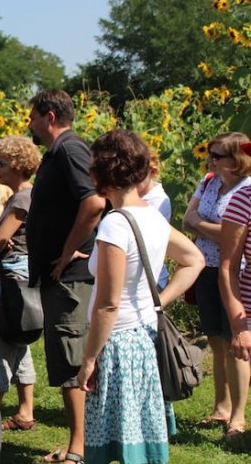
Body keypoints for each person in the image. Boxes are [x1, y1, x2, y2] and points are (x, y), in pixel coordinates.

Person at [77, 130, 205, 464]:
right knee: (139, 446)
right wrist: (158, 301)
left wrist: (89, 358)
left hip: (117, 345)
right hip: (145, 341)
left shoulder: (115, 225)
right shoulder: (150, 215)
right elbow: (194, 259)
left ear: (101, 172)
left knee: (113, 445)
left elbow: (108, 303)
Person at [26, 89, 106, 463]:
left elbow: (94, 201)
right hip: (63, 275)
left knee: (74, 360)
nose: (29, 123)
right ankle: (83, 442)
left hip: (71, 276)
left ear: (50, 116)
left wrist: (67, 249)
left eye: (33, 116)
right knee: (64, 358)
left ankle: (80, 448)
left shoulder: (70, 150)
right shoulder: (59, 152)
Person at [183, 132, 251, 430]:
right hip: (205, 267)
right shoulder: (209, 181)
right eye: (209, 152)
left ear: (237, 159)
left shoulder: (246, 190)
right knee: (215, 338)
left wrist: (202, 223)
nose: (210, 158)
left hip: (237, 274)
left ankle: (238, 416)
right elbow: (187, 219)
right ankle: (221, 406)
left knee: (236, 342)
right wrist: (210, 227)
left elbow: (231, 236)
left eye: (217, 154)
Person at [0, 136, 41, 433]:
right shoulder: (29, 195)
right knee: (18, 342)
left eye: (2, 163)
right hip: (22, 276)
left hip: (10, 279)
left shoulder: (21, 198)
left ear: (19, 166)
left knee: (1, 345)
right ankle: (25, 410)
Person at [219, 141, 251, 441]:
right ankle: (236, 419)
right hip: (250, 303)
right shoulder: (244, 199)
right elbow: (228, 266)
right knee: (240, 357)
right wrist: (239, 323)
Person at [136, 148, 172, 289]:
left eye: (140, 175)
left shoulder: (158, 200)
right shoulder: (136, 195)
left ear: (153, 172)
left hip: (151, 278)